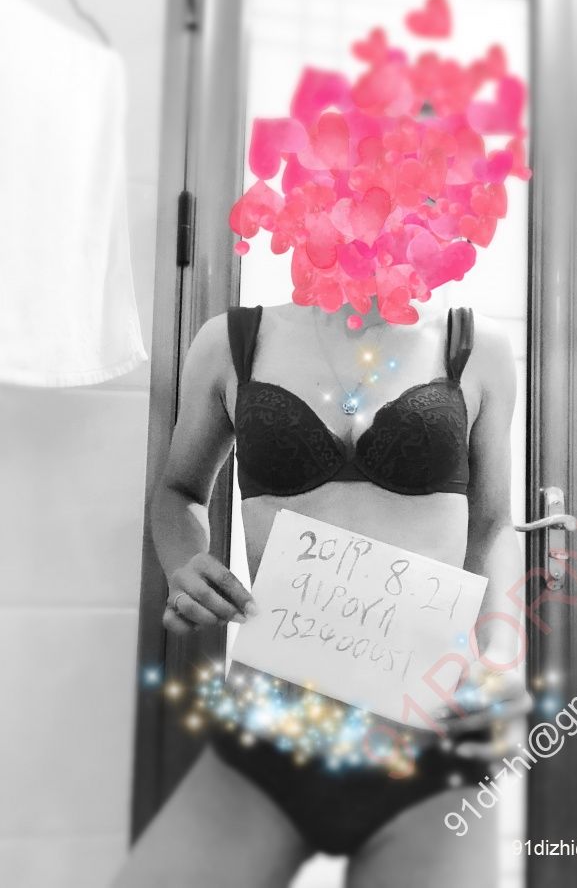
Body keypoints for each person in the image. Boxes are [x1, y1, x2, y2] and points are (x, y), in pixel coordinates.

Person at [112, 293, 531, 887]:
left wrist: (500, 657)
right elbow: (178, 491)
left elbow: (491, 527)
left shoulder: (476, 345)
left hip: (428, 730)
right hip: (270, 723)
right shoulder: (232, 341)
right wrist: (185, 564)